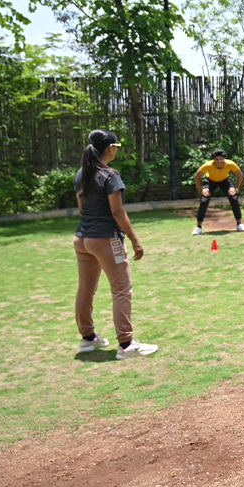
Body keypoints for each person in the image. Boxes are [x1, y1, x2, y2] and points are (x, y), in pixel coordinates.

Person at [72, 129, 158, 360]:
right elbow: (117, 212)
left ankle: (88, 338)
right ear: (111, 148)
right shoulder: (110, 176)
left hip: (82, 238)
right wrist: (135, 240)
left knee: (85, 288)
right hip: (106, 239)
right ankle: (126, 344)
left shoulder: (81, 174)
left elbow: (81, 210)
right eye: (117, 147)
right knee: (121, 289)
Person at [192, 149, 244, 235]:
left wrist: (236, 188)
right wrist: (201, 190)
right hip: (210, 182)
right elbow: (197, 176)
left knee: (234, 198)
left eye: (221, 159)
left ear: (224, 159)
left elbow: (239, 175)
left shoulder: (230, 164)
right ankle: (199, 227)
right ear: (213, 159)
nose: (219, 161)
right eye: (217, 159)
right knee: (204, 200)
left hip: (225, 181)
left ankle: (239, 224)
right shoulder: (208, 165)